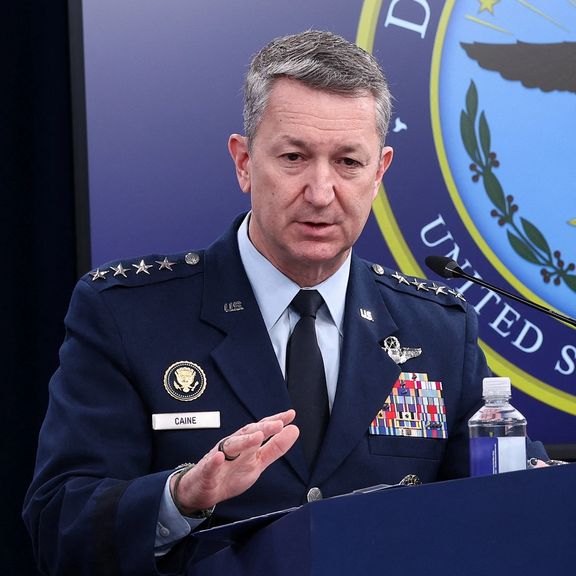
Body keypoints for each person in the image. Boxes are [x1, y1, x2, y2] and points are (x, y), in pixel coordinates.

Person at [23, 30, 549, 575]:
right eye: (294, 157)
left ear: (379, 173)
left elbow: (512, 509)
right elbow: (59, 523)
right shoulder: (127, 314)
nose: (321, 192)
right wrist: (180, 497)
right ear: (244, 162)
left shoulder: (438, 330)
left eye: (348, 162)